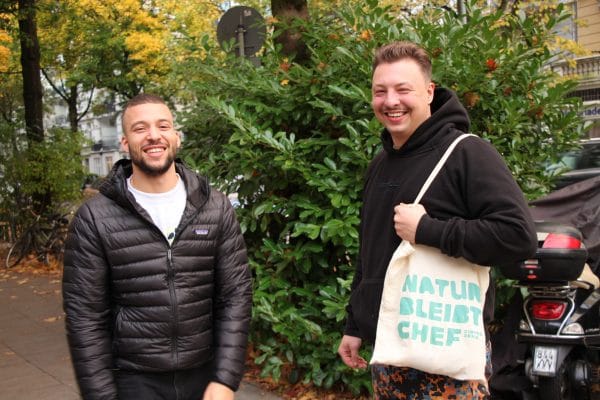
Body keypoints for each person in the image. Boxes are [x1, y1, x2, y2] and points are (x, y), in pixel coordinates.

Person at [337, 41, 537, 399]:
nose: (390, 101)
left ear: (429, 92)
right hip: (391, 352)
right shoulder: (380, 164)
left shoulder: (467, 153)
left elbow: (518, 235)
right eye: (380, 91)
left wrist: (429, 230)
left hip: (448, 356)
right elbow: (372, 251)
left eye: (403, 89)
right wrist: (355, 323)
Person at [62, 93, 252, 400]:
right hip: (134, 382)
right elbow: (85, 317)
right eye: (140, 128)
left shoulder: (214, 206)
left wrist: (226, 378)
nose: (153, 135)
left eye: (162, 126)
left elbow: (235, 296)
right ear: (125, 142)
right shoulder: (95, 218)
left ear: (176, 136)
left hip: (204, 378)